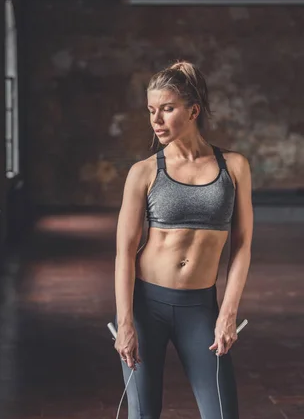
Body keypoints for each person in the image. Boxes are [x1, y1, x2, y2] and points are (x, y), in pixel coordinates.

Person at [113, 60, 253, 419]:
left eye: (167, 109)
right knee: (143, 415)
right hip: (147, 306)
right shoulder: (143, 172)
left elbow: (241, 246)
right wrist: (125, 322)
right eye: (151, 111)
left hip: (200, 309)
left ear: (193, 110)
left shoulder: (233, 167)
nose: (156, 120)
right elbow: (125, 253)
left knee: (223, 413)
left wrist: (228, 312)